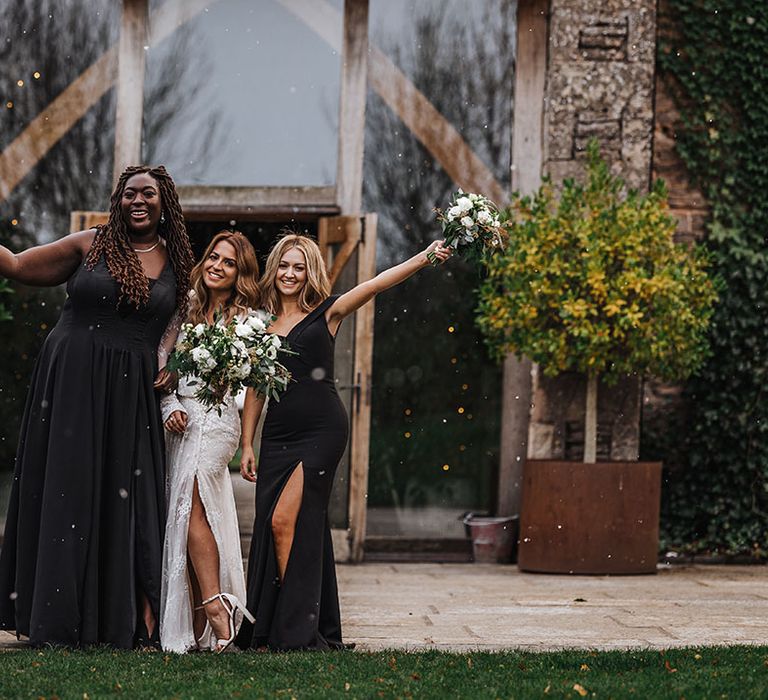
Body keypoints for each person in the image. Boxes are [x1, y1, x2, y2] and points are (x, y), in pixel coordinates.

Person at [0, 165, 194, 649]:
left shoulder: (178, 262)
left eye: (148, 193)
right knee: (70, 488)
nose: (138, 201)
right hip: (71, 379)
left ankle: (115, 619)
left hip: (132, 395)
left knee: (125, 496)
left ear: (164, 200)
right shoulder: (91, 244)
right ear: (118, 200)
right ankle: (58, 616)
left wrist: (175, 363)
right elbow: (19, 266)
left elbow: (182, 328)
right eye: (129, 193)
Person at [235, 232, 450, 651]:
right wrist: (247, 443)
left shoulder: (327, 313)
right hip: (277, 436)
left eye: (299, 267)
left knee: (286, 522)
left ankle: (295, 628)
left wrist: (424, 257)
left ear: (309, 271)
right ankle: (286, 624)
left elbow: (376, 283)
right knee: (279, 526)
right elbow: (256, 391)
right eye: (284, 265)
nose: (290, 274)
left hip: (321, 431)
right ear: (274, 268)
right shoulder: (259, 326)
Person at [159, 230, 260, 654]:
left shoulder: (250, 319)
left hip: (220, 422)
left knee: (194, 499)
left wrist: (250, 443)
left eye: (229, 262)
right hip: (183, 418)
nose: (218, 266)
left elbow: (256, 386)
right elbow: (161, 360)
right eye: (213, 258)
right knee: (185, 510)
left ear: (241, 273)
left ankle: (216, 607)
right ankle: (204, 618)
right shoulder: (185, 307)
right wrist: (167, 405)